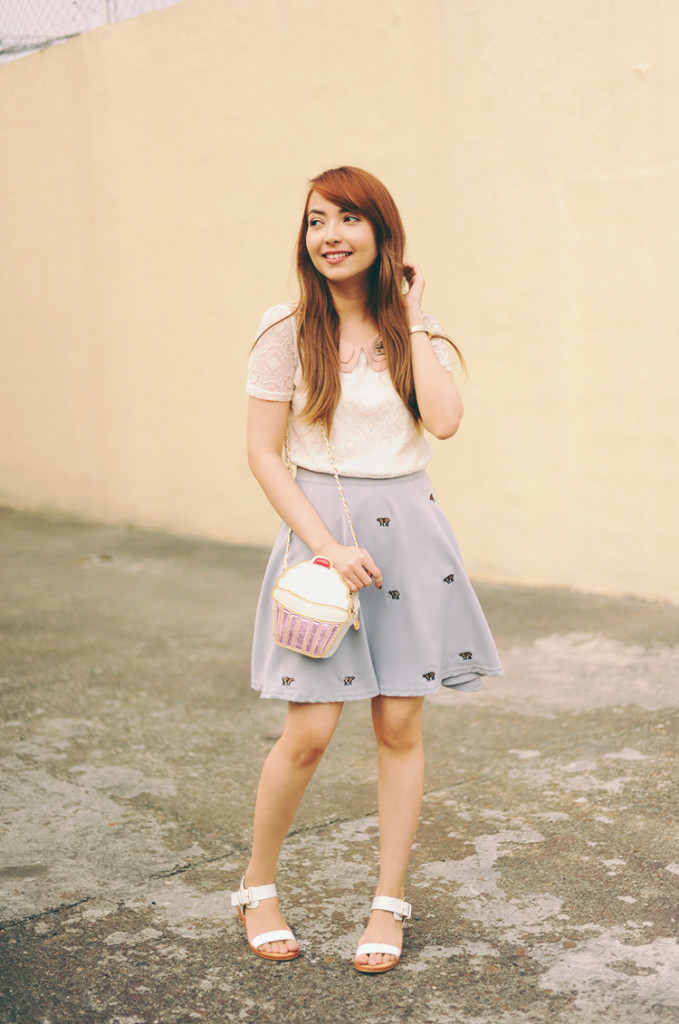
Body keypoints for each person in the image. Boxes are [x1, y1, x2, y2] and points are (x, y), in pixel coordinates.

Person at [233, 166, 503, 973]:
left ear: (383, 235)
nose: (330, 235)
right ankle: (256, 885)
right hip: (323, 537)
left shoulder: (411, 330)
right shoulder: (285, 328)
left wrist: (412, 317)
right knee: (309, 731)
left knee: (399, 726)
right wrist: (325, 545)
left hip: (410, 537)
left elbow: (444, 422)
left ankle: (388, 901)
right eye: (317, 220)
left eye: (349, 219)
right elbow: (262, 452)